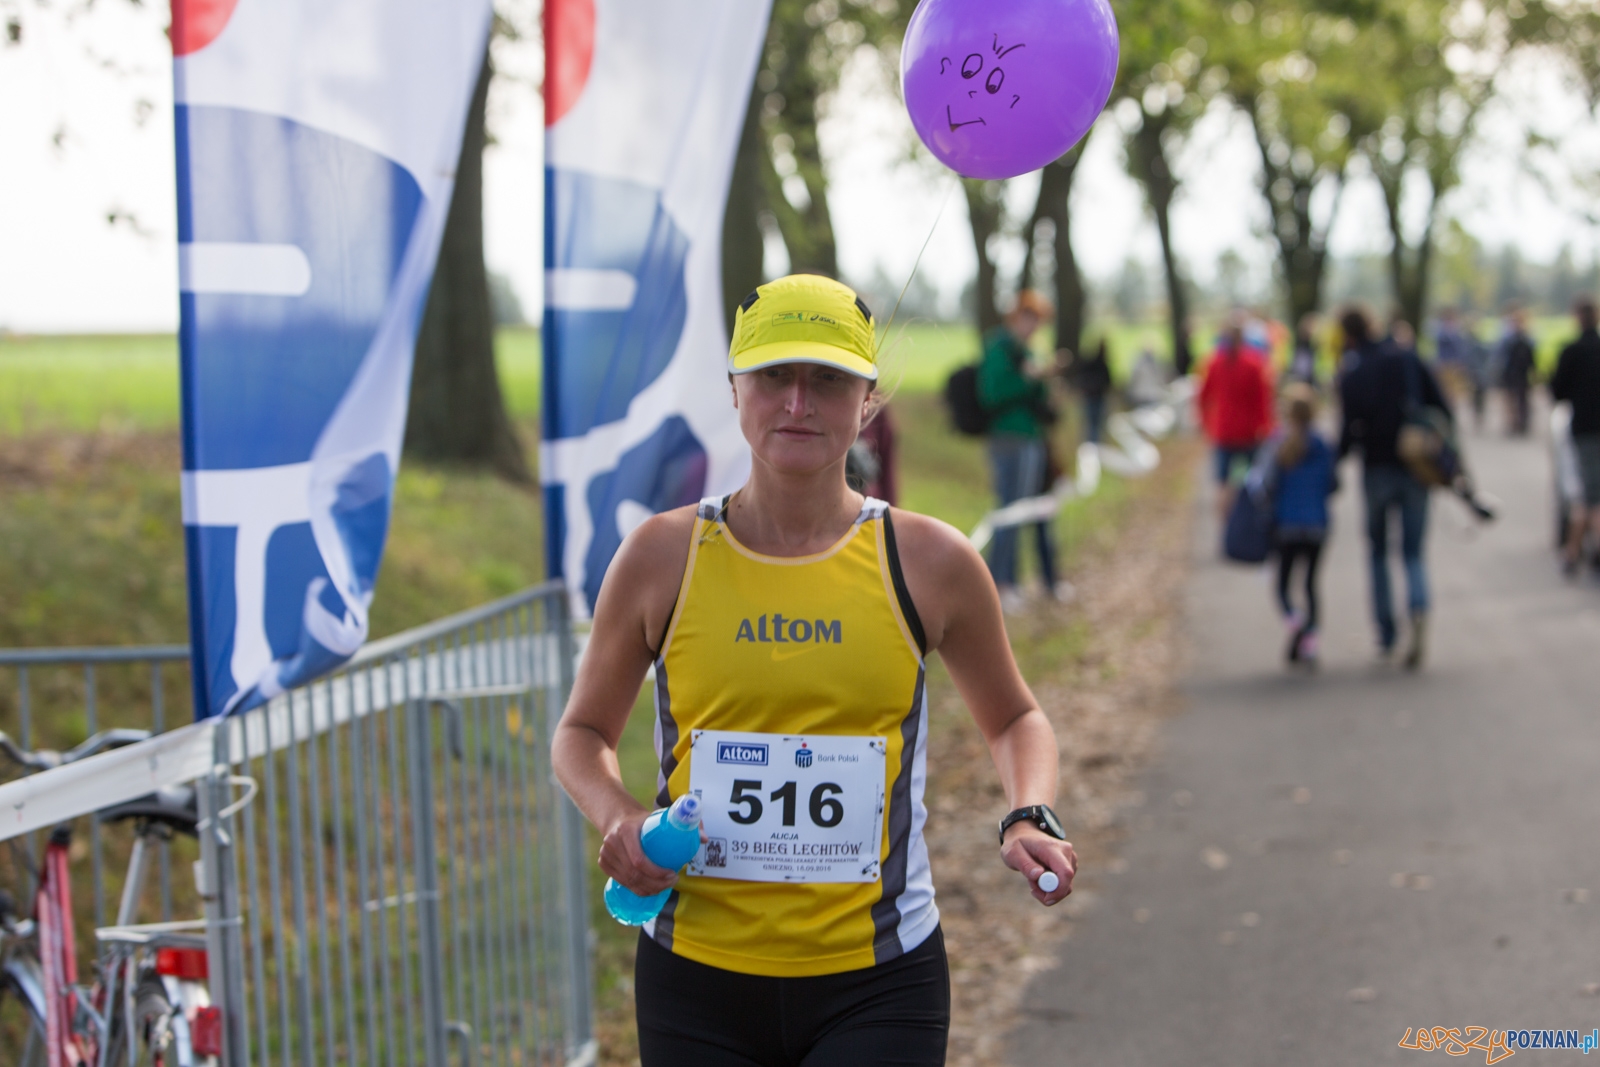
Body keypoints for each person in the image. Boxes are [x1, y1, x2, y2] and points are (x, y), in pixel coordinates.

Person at [550, 274, 1077, 1066]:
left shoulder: (929, 560)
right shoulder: (662, 556)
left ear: (868, 400)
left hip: (880, 979)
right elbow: (582, 732)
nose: (798, 403)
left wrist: (1029, 810)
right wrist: (617, 813)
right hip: (695, 974)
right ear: (735, 389)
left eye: (827, 380)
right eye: (774, 377)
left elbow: (1014, 719)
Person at [1337, 305, 1451, 668]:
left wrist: (1332, 465)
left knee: (1378, 551)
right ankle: (1418, 606)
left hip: (1375, 468)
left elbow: (1346, 427)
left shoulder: (1352, 369)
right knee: (1414, 552)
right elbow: (1442, 406)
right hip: (1414, 465)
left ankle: (1387, 631)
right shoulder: (1405, 358)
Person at [978, 290, 1060, 611]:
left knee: (1025, 509)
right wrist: (1028, 380)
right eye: (1031, 319)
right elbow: (992, 393)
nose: (1034, 326)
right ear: (1018, 317)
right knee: (1009, 511)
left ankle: (1012, 579)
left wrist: (1044, 383)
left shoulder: (1027, 350)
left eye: (1039, 321)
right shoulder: (999, 348)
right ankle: (999, 583)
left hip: (1031, 438)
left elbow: (1033, 392)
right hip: (1008, 439)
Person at [1256, 384, 1338, 666]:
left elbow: (1263, 484)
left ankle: (1296, 623)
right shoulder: (1324, 445)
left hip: (1287, 525)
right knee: (1311, 585)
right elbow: (1332, 484)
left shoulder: (1277, 444)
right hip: (1317, 525)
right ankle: (1310, 641)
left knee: (1283, 586)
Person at [1199, 315, 1275, 528]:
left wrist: (1206, 423)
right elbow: (1263, 401)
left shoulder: (1214, 363)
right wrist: (1268, 428)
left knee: (1223, 483)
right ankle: (1243, 525)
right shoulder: (1255, 363)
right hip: (1248, 433)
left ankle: (1226, 528)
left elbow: (1204, 397)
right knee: (1247, 481)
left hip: (1224, 431)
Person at [1549, 296, 1600, 577]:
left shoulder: (1572, 351)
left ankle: (1574, 552)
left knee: (1588, 495)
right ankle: (1573, 551)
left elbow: (1557, 391)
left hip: (1584, 430)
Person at [1499, 307, 1536, 437]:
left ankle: (1521, 423)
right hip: (1512, 373)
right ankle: (1514, 423)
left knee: (1522, 400)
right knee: (1512, 400)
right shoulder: (1508, 339)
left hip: (1521, 373)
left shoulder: (1526, 339)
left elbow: (1532, 357)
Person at [1069, 337, 1113, 444]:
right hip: (1093, 397)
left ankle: (1092, 445)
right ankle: (1092, 445)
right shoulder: (1098, 364)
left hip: (1095, 396)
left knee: (1093, 423)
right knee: (1092, 423)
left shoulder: (1096, 364)